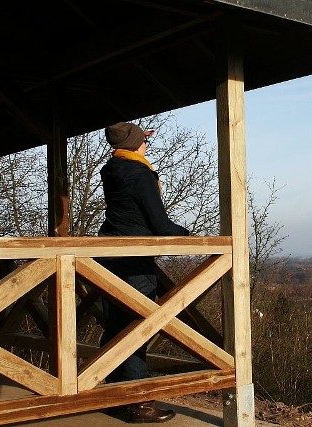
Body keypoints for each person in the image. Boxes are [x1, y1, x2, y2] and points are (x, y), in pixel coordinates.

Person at [99, 121, 189, 423]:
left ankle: (112, 395)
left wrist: (137, 136)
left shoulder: (112, 169)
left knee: (115, 325)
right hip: (134, 259)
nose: (147, 145)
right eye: (144, 141)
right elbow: (160, 225)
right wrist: (187, 234)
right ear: (137, 145)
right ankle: (139, 403)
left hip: (109, 254)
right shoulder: (140, 173)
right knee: (138, 326)